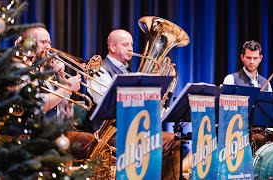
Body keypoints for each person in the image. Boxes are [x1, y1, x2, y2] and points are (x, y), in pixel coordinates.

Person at [88, 29, 183, 179]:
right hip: (110, 133)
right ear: (112, 47)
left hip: (133, 128)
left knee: (174, 140)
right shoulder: (100, 70)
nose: (131, 49)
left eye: (131, 44)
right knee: (169, 141)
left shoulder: (128, 72)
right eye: (125, 45)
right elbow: (105, 102)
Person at [18, 27, 95, 160]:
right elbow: (39, 106)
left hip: (56, 132)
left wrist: (61, 77)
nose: (49, 48)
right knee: (90, 143)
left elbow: (61, 103)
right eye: (43, 42)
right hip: (33, 135)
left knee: (97, 143)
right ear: (29, 45)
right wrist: (67, 88)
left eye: (50, 43)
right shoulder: (21, 70)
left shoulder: (47, 70)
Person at [223, 40, 271, 153]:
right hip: (236, 131)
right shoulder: (231, 79)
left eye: (255, 58)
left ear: (260, 58)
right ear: (242, 57)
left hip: (259, 131)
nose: (252, 62)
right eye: (248, 58)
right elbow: (226, 112)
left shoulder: (266, 83)